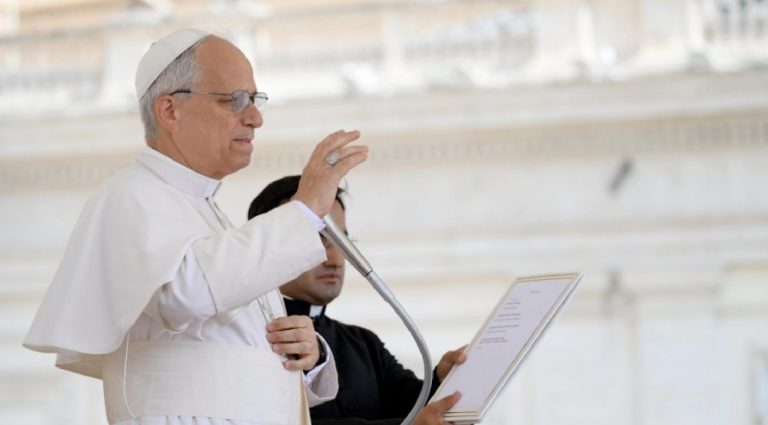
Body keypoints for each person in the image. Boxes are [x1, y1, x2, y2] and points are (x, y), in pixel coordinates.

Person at [22, 28, 459, 425]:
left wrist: (306, 356)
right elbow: (185, 293)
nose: (255, 117)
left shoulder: (206, 214)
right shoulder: (131, 195)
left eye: (255, 99)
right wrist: (306, 206)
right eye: (233, 100)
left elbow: (237, 374)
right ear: (170, 110)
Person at [249, 175, 467, 425]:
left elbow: (414, 405)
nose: (335, 259)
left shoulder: (363, 343)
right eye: (318, 240)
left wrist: (443, 381)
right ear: (268, 245)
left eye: (342, 242)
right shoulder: (250, 337)